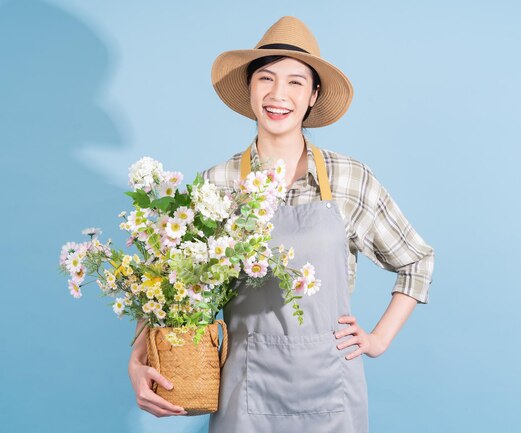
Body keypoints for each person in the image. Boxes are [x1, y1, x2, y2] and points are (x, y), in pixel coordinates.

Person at [128, 16, 434, 433]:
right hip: (245, 390)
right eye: (266, 79)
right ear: (250, 89)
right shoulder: (216, 184)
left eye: (295, 82)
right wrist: (137, 359)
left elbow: (417, 261)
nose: (278, 95)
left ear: (313, 95)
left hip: (333, 392)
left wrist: (377, 340)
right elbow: (166, 283)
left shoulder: (349, 179)